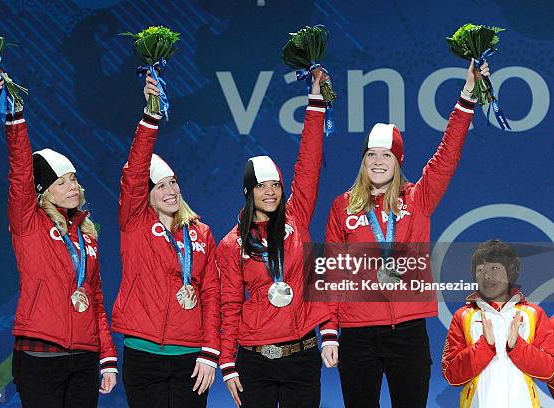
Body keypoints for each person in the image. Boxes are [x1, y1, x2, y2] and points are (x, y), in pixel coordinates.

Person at [320, 59, 490, 407]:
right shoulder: (342, 207)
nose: (378, 161)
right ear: (363, 161)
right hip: (357, 332)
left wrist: (468, 94)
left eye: (387, 155)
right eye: (371, 155)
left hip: (407, 331)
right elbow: (333, 273)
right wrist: (329, 332)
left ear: (398, 161)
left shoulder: (418, 199)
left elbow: (447, 156)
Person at [0, 77, 117, 408]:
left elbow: (95, 299)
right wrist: (15, 117)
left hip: (85, 356)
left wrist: (107, 356)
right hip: (40, 352)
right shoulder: (28, 222)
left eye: (74, 179)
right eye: (61, 182)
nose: (72, 186)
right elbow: (20, 174)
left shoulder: (86, 234)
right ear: (43, 192)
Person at [217, 69, 335, 408]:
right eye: (261, 186)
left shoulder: (296, 217)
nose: (270, 192)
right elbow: (229, 304)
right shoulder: (231, 244)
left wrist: (315, 103)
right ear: (247, 192)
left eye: (275, 185)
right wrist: (227, 363)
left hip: (302, 353)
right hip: (256, 359)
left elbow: (308, 165)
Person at [111, 73, 220, 408]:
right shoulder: (134, 223)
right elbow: (133, 173)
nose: (171, 191)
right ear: (146, 195)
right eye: (160, 186)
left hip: (191, 355)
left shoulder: (200, 233)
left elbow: (213, 294)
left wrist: (210, 352)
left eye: (173, 183)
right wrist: (151, 116)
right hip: (143, 353)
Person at [442, 239, 554, 407]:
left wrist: (518, 347)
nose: (486, 276)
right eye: (480, 270)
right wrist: (484, 347)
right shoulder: (463, 316)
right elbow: (451, 374)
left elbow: (549, 370)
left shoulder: (533, 314)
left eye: (494, 268)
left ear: (510, 272)